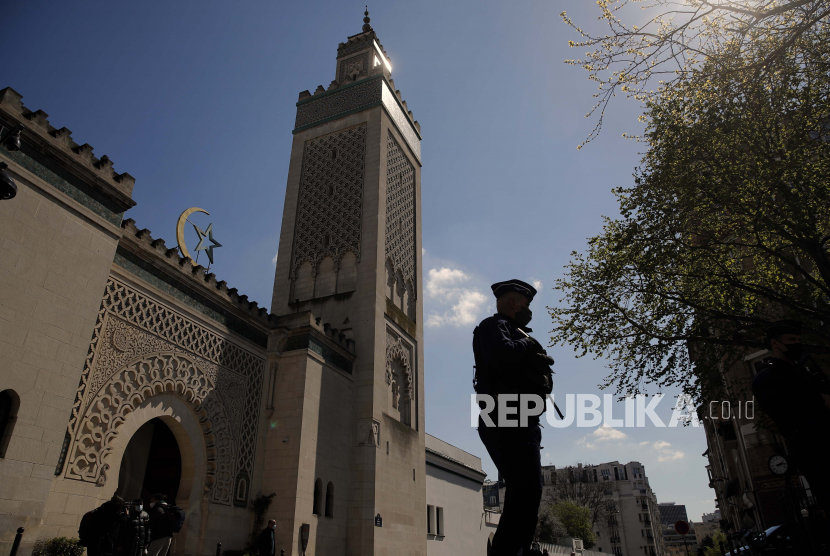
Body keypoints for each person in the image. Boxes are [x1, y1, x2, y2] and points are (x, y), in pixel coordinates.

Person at [473, 279, 554, 556]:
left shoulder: (515, 331)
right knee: (526, 489)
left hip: (522, 417)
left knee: (527, 491)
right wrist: (529, 346)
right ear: (514, 303)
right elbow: (501, 355)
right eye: (526, 304)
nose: (528, 310)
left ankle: (516, 549)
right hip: (505, 414)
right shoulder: (493, 326)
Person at [752, 319, 830, 514]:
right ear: (775, 343)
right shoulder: (767, 377)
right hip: (814, 449)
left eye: (798, 339)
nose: (797, 343)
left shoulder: (806, 370)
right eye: (791, 339)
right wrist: (819, 400)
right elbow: (785, 413)